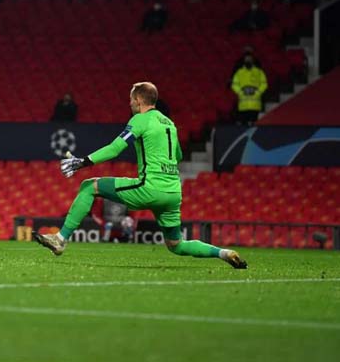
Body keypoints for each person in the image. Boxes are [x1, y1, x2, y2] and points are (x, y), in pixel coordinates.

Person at [33, 82, 247, 269]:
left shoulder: (140, 120)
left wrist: (84, 161)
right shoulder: (169, 124)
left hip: (149, 187)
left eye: (130, 100)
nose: (130, 104)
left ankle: (61, 239)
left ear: (138, 100)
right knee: (176, 245)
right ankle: (223, 253)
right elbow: (179, 155)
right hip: (173, 193)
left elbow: (115, 148)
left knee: (90, 186)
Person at [231, 54, 268, 125]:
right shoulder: (239, 72)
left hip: (255, 105)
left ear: (253, 60)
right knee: (243, 125)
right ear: (244, 61)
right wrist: (241, 92)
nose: (248, 60)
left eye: (250, 59)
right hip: (243, 105)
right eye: (247, 59)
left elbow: (264, 84)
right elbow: (234, 84)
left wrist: (257, 93)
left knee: (253, 125)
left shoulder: (259, 72)